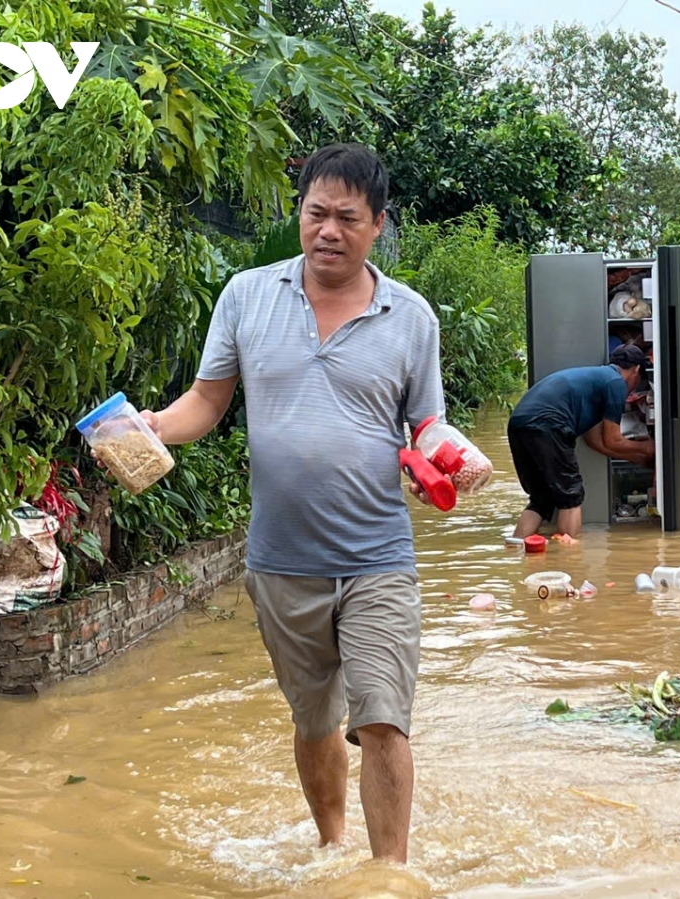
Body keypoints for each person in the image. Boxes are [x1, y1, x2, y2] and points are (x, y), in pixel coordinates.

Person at [130, 144, 444, 863]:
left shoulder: (412, 317)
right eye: (316, 214)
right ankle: (334, 848)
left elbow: (428, 424)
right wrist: (150, 428)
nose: (328, 230)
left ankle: (388, 873)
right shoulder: (246, 296)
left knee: (385, 720)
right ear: (299, 213)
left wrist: (458, 454)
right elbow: (207, 402)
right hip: (280, 560)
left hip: (377, 557)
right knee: (314, 721)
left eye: (347, 218)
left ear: (378, 226)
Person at [507, 344, 655, 539]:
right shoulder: (616, 383)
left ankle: (515, 548)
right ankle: (569, 561)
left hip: (518, 424)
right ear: (636, 370)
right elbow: (614, 440)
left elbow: (597, 442)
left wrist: (639, 459)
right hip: (548, 425)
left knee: (541, 499)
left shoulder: (597, 381)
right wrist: (649, 447)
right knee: (571, 496)